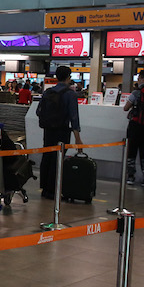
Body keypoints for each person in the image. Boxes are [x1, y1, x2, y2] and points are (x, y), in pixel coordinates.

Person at [36, 66, 83, 199]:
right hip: (62, 131)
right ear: (69, 77)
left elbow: (38, 111)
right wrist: (78, 139)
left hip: (48, 130)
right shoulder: (70, 94)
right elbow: (74, 118)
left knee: (47, 157)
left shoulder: (48, 92)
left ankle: (45, 188)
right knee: (57, 160)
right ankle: (53, 190)